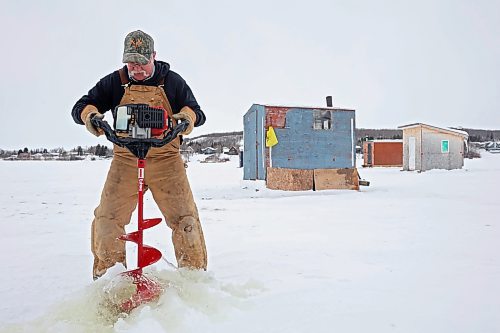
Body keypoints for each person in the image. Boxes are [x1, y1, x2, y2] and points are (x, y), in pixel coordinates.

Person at [71, 30, 207, 280]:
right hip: (125, 161)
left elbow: (198, 112)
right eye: (131, 63)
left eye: (142, 63)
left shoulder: (173, 82)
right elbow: (80, 106)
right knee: (107, 218)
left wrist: (186, 118)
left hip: (167, 162)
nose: (137, 70)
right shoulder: (115, 82)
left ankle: (194, 280)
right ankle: (109, 281)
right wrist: (92, 117)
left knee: (185, 219)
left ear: (154, 56)